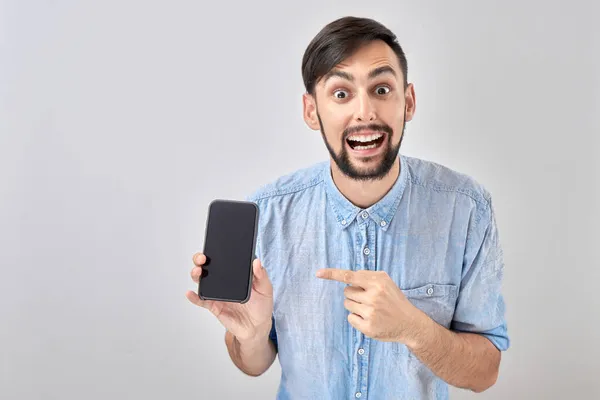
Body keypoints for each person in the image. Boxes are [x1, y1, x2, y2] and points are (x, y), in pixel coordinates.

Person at [186, 15, 510, 399]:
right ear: (312, 111)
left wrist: (413, 328)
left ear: (407, 102)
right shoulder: (269, 213)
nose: (365, 112)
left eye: (382, 89)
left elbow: (484, 373)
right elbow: (253, 364)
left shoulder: (467, 210)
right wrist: (251, 336)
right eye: (341, 94)